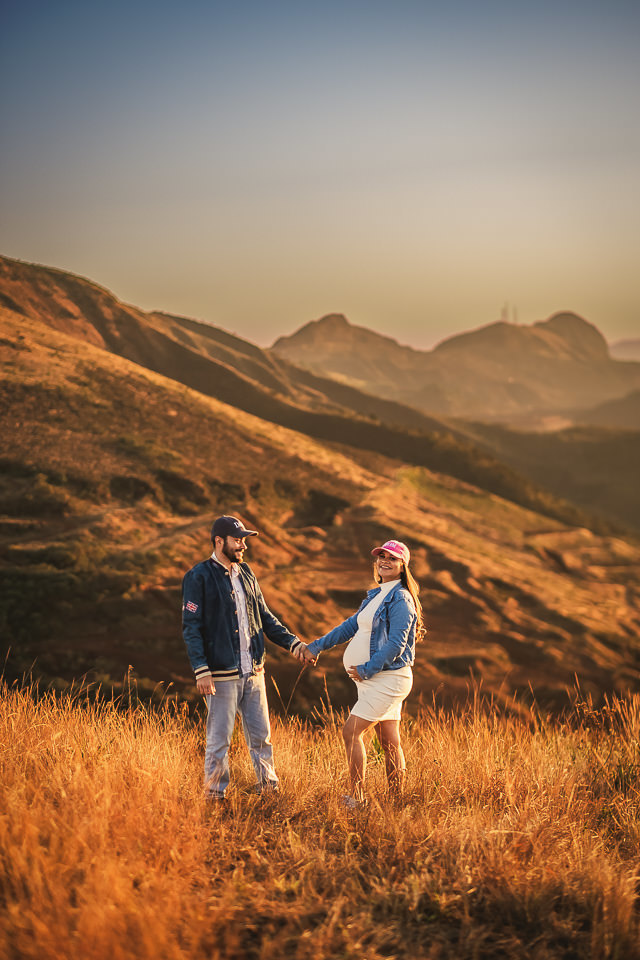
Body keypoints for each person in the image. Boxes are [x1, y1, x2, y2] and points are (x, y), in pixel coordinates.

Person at [182, 515, 308, 799]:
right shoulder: (197, 576)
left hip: (254, 672)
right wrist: (201, 668)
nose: (243, 546)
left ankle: (269, 789)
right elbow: (191, 626)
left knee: (261, 737)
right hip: (221, 674)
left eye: (244, 541)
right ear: (219, 541)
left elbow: (265, 617)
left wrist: (293, 643)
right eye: (238, 541)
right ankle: (215, 796)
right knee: (219, 741)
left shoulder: (247, 573)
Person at [298, 539, 424, 807]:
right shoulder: (377, 595)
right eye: (381, 557)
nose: (385, 561)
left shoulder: (400, 598)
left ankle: (356, 798)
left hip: (387, 678)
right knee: (389, 740)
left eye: (392, 558)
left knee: (351, 732)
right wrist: (316, 646)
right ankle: (396, 801)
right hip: (375, 680)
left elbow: (396, 645)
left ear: (403, 566)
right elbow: (348, 627)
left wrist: (367, 669)